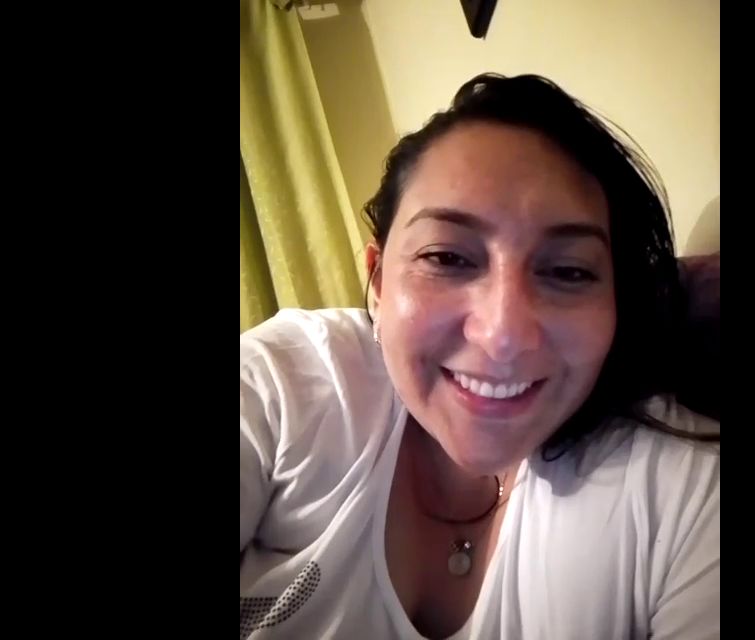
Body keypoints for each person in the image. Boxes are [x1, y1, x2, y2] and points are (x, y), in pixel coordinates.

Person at [240, 73, 720, 640]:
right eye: (446, 258)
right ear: (378, 282)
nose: (503, 335)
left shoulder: (684, 492)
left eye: (569, 271)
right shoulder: (286, 384)